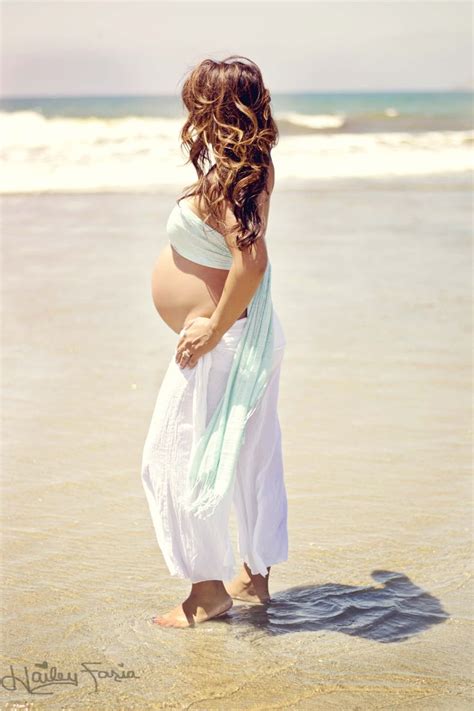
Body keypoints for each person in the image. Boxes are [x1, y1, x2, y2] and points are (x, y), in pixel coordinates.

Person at [141, 55, 288, 628]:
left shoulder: (234, 177)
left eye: (196, 101)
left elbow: (250, 262)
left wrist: (213, 328)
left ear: (215, 109)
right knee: (253, 455)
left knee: (172, 459)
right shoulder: (251, 168)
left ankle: (207, 593)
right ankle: (253, 577)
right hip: (245, 338)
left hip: (224, 346)